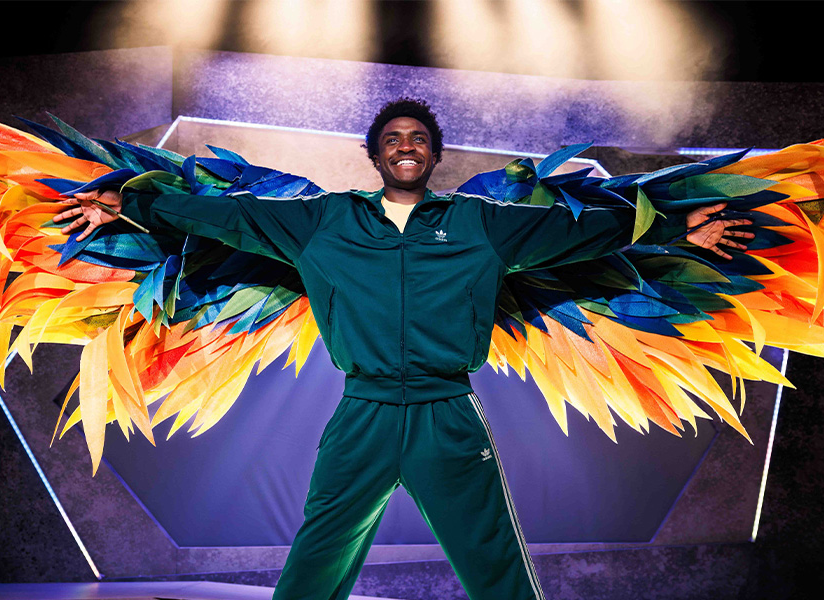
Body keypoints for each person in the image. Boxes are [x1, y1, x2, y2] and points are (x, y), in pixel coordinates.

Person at [56, 98, 754, 600]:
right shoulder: (325, 221)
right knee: (316, 561)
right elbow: (227, 217)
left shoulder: (480, 223)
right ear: (375, 154)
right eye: (392, 137)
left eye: (419, 137)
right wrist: (128, 204)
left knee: (495, 565)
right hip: (361, 415)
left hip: (448, 415)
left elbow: (580, 233)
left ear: (435, 154)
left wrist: (671, 228)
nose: (406, 145)